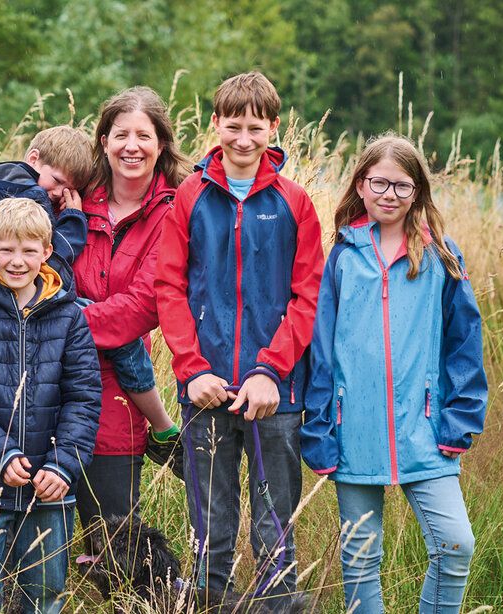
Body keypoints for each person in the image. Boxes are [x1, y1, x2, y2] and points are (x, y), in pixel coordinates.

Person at [155, 71, 323, 607]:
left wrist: (270, 370)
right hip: (206, 389)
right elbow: (170, 287)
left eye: (256, 127)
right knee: (211, 516)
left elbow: (307, 296)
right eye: (233, 126)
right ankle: (211, 600)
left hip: (275, 393)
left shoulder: (295, 202)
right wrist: (192, 369)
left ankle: (280, 603)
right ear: (215, 124)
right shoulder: (190, 196)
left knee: (274, 515)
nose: (244, 139)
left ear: (275, 128)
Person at [301, 133, 488, 613]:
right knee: (360, 561)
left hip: (423, 430)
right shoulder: (343, 256)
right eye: (379, 182)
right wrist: (319, 427)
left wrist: (459, 419)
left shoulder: (441, 257)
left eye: (402, 186)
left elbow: (464, 344)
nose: (389, 194)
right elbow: (321, 350)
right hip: (352, 431)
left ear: (418, 192)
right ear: (361, 185)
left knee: (455, 545)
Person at [0, 197, 101, 613]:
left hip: (50, 489)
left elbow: (83, 399)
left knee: (45, 598)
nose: (17, 261)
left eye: (29, 250)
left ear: (46, 252)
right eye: (7, 250)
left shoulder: (68, 317)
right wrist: (2, 453)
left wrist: (63, 463)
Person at [71, 86, 191, 531]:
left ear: (161, 144)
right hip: (49, 386)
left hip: (117, 396)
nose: (132, 147)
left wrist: (62, 321)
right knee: (43, 551)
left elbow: (144, 305)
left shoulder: (176, 211)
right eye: (121, 135)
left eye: (144, 136)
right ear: (104, 141)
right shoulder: (75, 199)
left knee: (114, 543)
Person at [0, 125, 93, 264]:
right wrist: (74, 219)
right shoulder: (35, 197)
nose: (59, 193)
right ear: (33, 158)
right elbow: (52, 259)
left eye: (69, 190)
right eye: (57, 180)